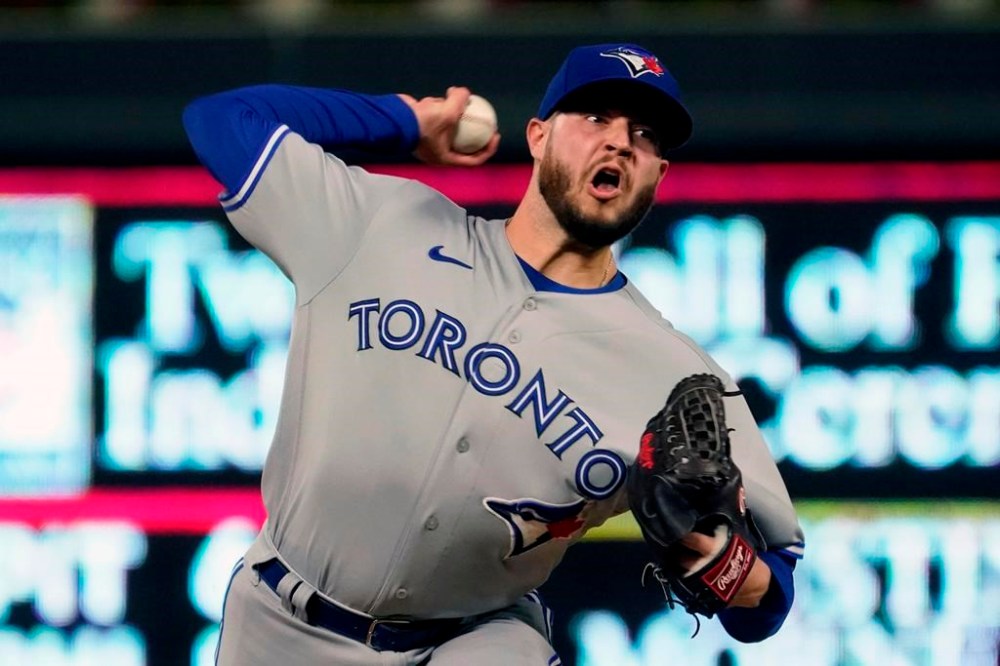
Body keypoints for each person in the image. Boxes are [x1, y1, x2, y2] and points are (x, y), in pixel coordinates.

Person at [183, 42, 805, 665]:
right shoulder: (381, 225)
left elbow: (770, 599)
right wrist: (402, 121)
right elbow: (221, 121)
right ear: (537, 136)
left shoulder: (675, 374)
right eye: (595, 118)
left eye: (645, 134)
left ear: (658, 174)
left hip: (474, 640)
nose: (619, 142)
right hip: (279, 622)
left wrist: (729, 568)